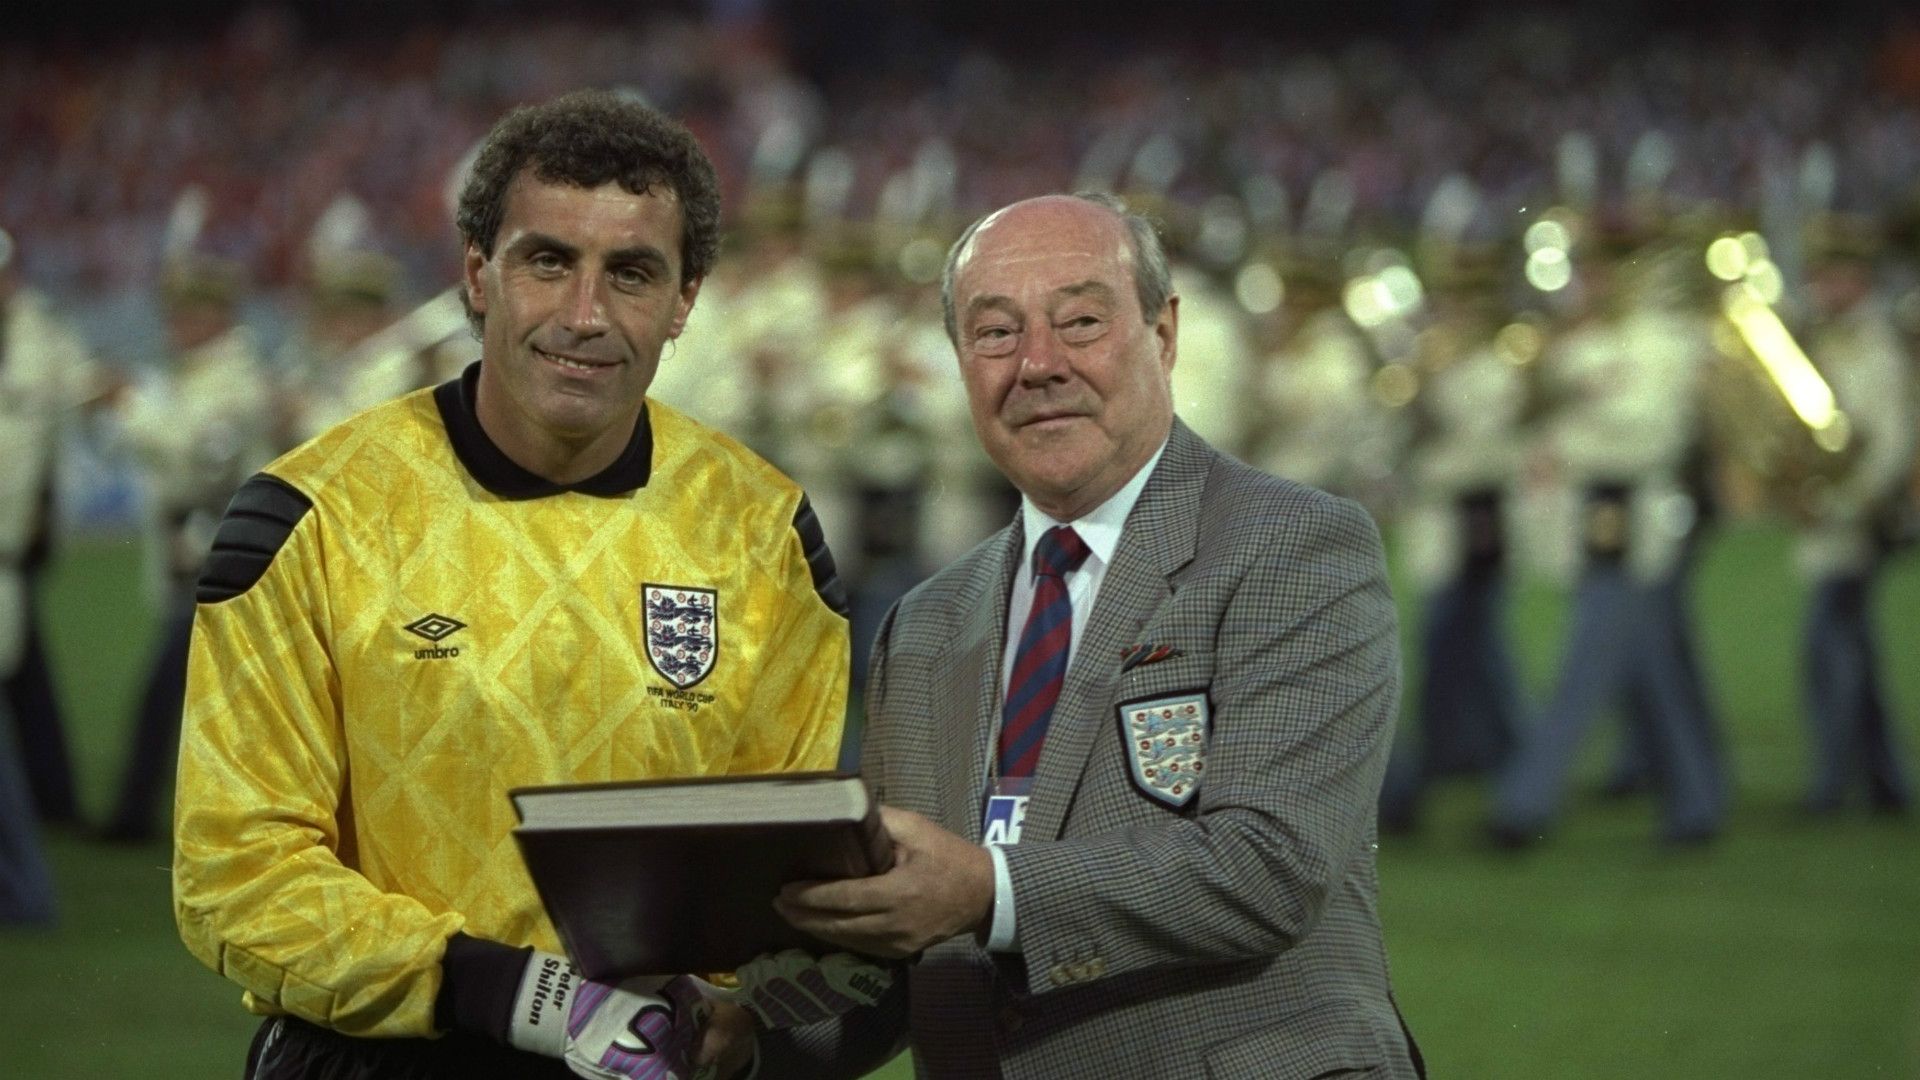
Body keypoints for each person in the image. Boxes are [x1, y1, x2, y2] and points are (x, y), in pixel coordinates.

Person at [171, 90, 855, 1078]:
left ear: (684, 301)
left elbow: (772, 879)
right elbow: (235, 875)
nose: (585, 315)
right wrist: (519, 996)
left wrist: (733, 1014)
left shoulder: (764, 534)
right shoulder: (309, 518)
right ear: (477, 275)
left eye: (631, 273)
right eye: (548, 262)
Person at [760, 193, 1424, 1078]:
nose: (1037, 364)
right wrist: (745, 1039)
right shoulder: (925, 623)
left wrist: (989, 890)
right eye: (996, 333)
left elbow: (1270, 864)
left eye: (1080, 322)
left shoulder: (1293, 548)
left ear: (1164, 333)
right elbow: (902, 935)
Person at [106, 248, 277, 842]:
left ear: (214, 316)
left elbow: (202, 462)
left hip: (221, 549)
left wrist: (131, 409)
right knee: (212, 695)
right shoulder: (206, 374)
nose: (173, 325)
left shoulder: (233, 380)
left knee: (171, 692)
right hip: (204, 549)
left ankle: (135, 814)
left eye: (186, 313)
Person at [1793, 220, 1915, 814]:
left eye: (1832, 276)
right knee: (1854, 653)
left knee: (1828, 652)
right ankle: (1887, 782)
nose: (1821, 288)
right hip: (1837, 516)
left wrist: (1841, 503)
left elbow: (1890, 445)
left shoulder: (1876, 349)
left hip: (1859, 524)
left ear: (1858, 279)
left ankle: (1832, 782)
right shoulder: (1830, 340)